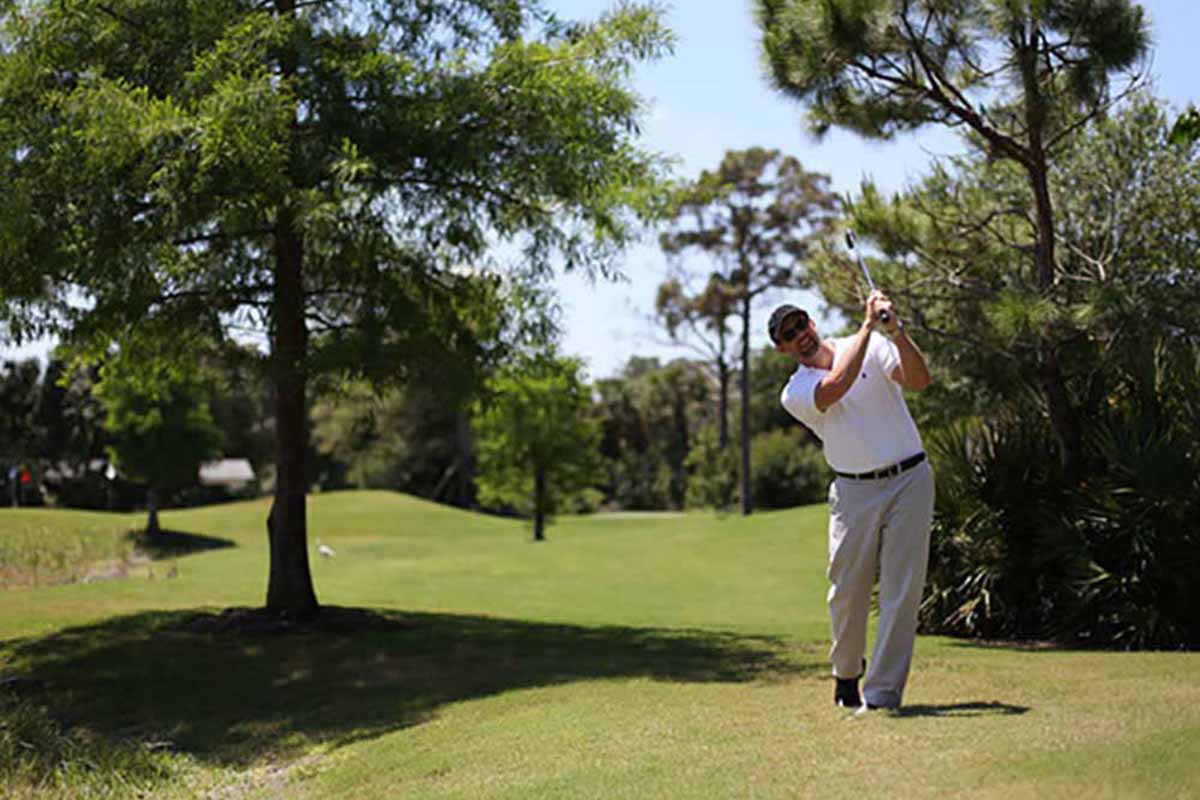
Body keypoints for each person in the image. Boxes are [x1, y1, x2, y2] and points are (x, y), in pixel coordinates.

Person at [770, 291, 934, 712]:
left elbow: (919, 380)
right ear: (783, 348)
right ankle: (846, 673)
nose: (800, 336)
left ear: (812, 322)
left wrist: (896, 332)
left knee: (902, 589)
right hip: (854, 491)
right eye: (790, 335)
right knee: (848, 591)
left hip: (910, 478)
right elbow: (836, 387)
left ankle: (881, 696)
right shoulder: (797, 390)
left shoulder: (876, 344)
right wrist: (867, 325)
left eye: (801, 324)